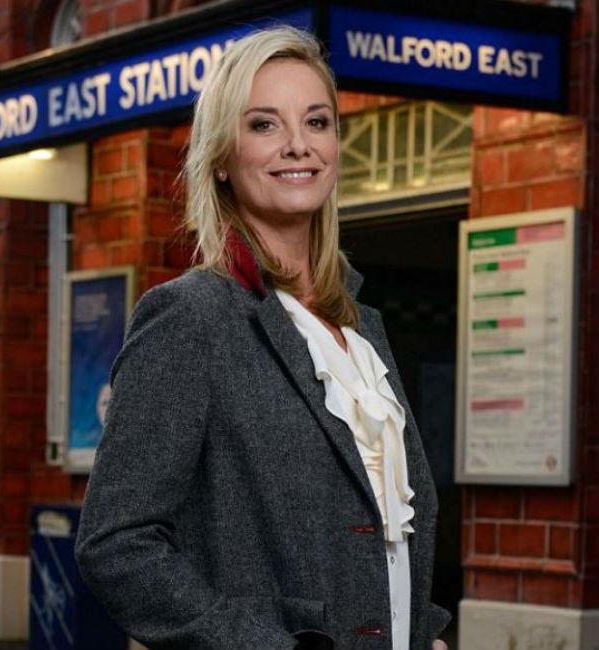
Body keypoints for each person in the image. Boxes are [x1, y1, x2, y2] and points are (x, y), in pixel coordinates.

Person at [75, 25, 451, 650]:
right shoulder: (191, 317)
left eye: (317, 121)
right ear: (222, 158)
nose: (298, 144)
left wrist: (421, 632)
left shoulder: (362, 329)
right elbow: (116, 544)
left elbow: (387, 533)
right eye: (264, 124)